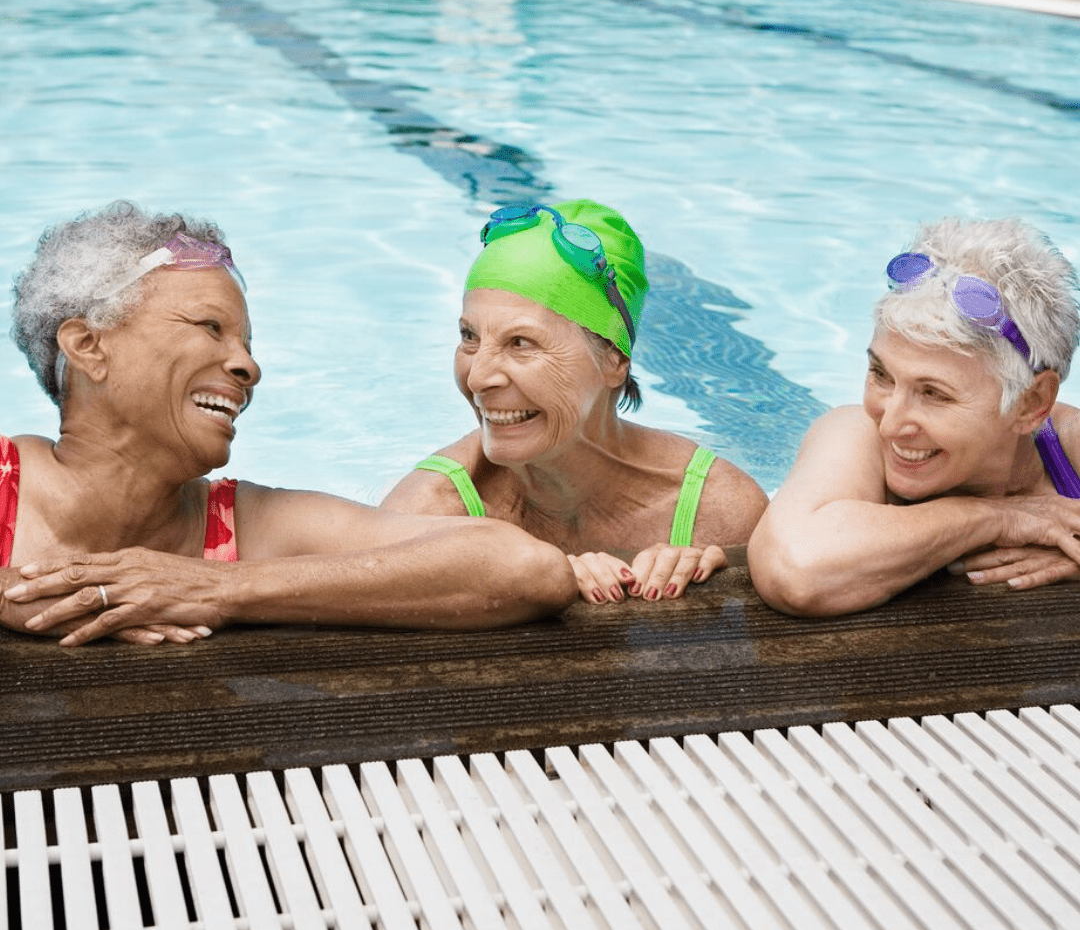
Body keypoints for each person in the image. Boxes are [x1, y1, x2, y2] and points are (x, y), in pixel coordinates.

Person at [0, 201, 578, 646]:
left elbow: (527, 569)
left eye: (246, 343)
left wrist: (215, 587)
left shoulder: (245, 526)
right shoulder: (7, 481)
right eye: (209, 326)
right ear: (87, 346)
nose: (248, 366)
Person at [380, 199, 768, 603]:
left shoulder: (719, 511)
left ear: (614, 362)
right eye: (469, 337)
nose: (478, 377)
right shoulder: (429, 509)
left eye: (520, 343)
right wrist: (526, 573)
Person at [748, 216, 1080, 617]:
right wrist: (999, 517)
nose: (890, 424)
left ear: (1031, 404)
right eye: (880, 375)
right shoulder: (855, 434)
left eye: (934, 394)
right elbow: (795, 570)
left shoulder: (1068, 446)